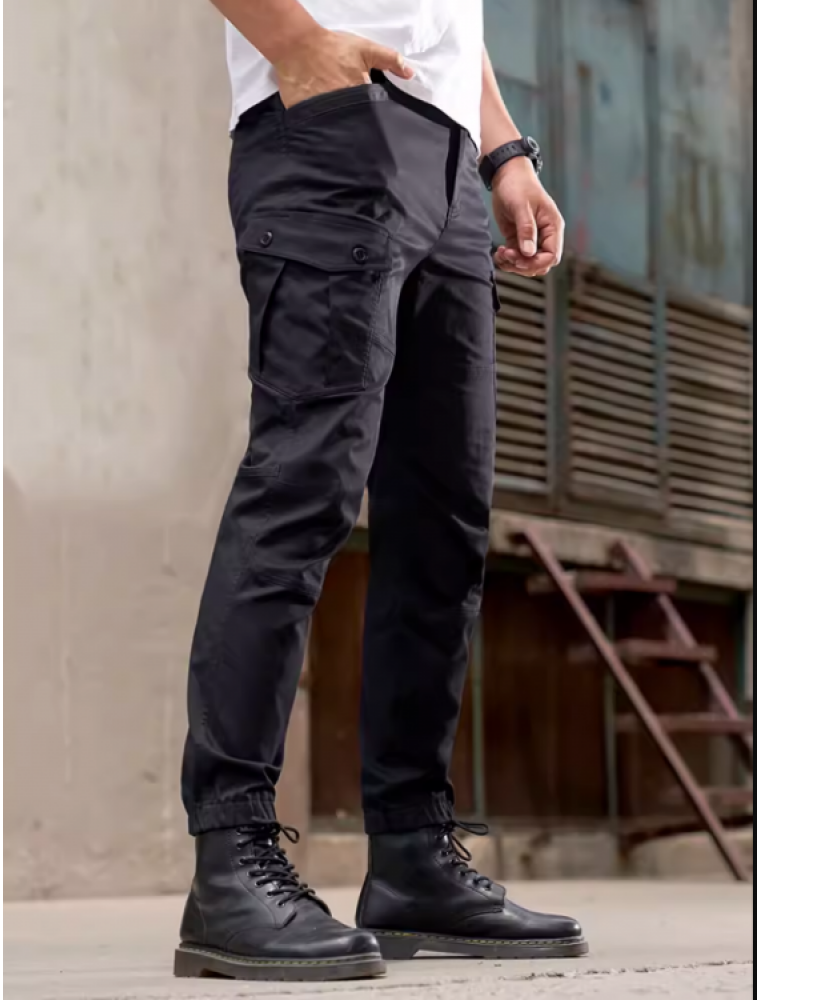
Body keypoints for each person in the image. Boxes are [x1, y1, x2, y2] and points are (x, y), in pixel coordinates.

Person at [176, 0, 587, 982]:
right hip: (329, 124)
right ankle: (230, 860)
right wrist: (294, 44)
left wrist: (502, 153)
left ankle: (411, 854)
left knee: (444, 519)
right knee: (303, 485)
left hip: (447, 159)